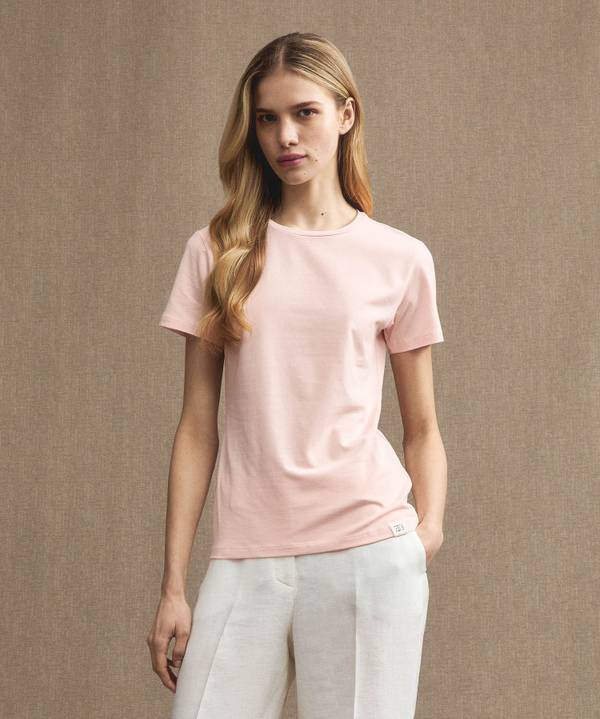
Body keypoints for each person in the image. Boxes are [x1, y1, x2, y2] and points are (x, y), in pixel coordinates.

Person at [147, 31, 447, 719]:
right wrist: (173, 585)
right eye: (267, 118)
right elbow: (196, 428)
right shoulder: (217, 252)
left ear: (345, 115)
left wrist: (424, 533)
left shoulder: (399, 259)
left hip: (368, 553)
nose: (285, 136)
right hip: (246, 555)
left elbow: (423, 426)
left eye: (304, 112)